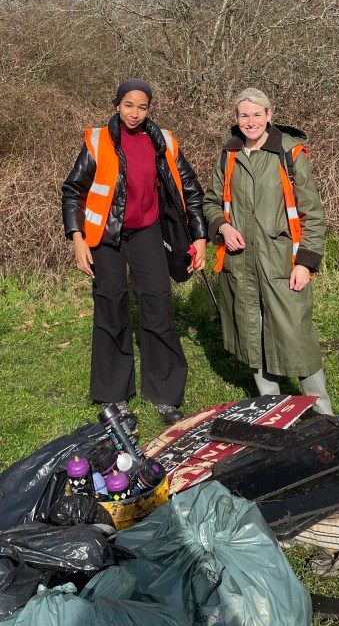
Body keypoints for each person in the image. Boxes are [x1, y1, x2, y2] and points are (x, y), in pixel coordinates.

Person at [62, 78, 208, 425]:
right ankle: (114, 395)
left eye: (142, 107)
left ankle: (165, 395)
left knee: (158, 304)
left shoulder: (164, 141)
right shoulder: (98, 141)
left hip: (148, 232)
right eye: (129, 105)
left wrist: (200, 236)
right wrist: (77, 237)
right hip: (106, 237)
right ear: (117, 105)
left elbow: (191, 189)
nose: (135, 113)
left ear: (149, 109)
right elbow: (72, 190)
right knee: (111, 304)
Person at [203, 87, 333, 414]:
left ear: (269, 116)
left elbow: (312, 214)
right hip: (240, 264)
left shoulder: (289, 153)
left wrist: (305, 263)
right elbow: (210, 202)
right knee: (253, 335)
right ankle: (275, 413)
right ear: (236, 118)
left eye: (257, 114)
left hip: (282, 264)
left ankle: (325, 417)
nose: (251, 121)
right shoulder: (228, 154)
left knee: (296, 337)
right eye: (244, 115)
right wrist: (223, 226)